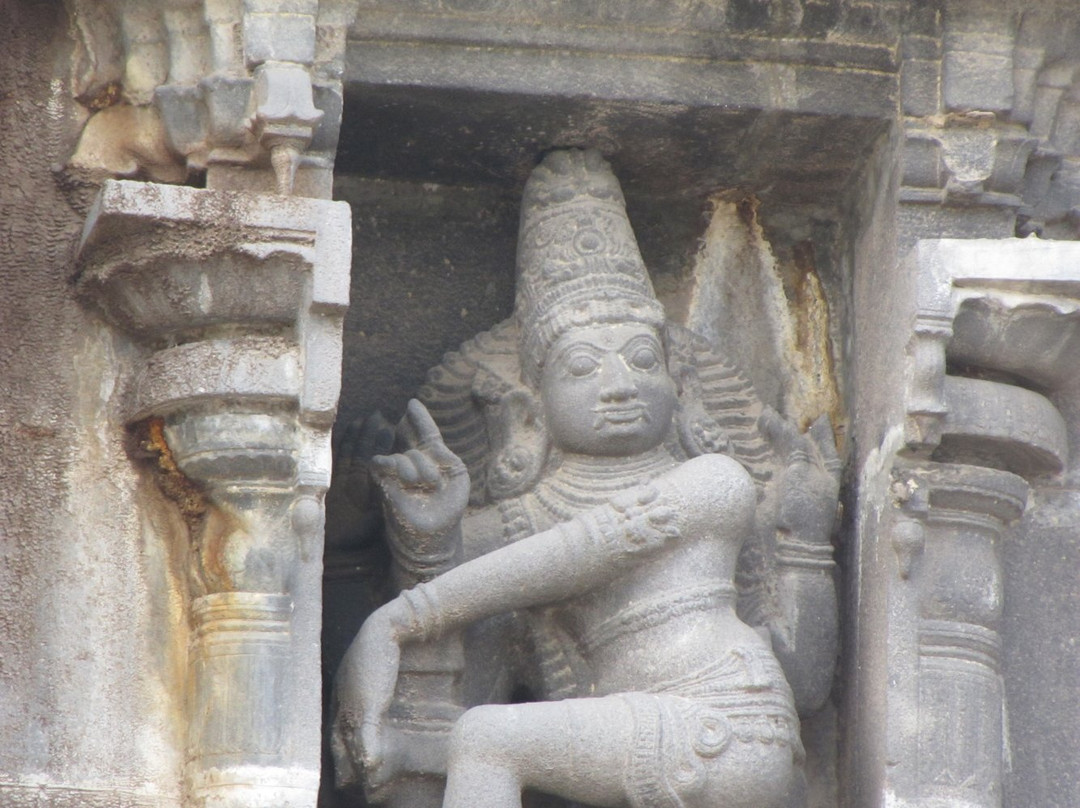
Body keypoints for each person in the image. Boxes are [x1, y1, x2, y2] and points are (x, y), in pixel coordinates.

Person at [333, 149, 840, 808]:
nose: (619, 385)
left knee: (488, 742)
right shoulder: (516, 533)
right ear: (530, 405)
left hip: (729, 727)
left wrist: (805, 538)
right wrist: (422, 544)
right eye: (581, 366)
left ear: (678, 384)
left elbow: (804, 685)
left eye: (640, 360)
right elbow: (459, 696)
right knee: (477, 738)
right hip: (652, 748)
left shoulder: (715, 485)